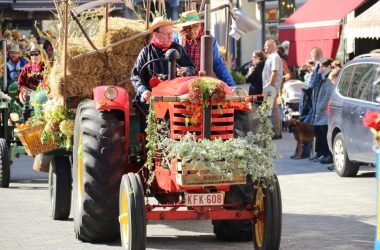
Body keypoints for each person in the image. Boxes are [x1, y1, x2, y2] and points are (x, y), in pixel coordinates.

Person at [131, 16, 196, 130]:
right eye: (167, 34)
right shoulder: (146, 52)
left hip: (176, 94)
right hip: (153, 95)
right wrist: (143, 91)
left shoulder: (178, 49)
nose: (171, 36)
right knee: (143, 101)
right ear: (156, 35)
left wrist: (185, 71)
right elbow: (135, 76)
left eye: (171, 33)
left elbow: (192, 68)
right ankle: (147, 136)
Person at [174, 10, 236, 87]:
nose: (193, 31)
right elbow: (175, 66)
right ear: (183, 29)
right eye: (188, 28)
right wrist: (181, 46)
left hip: (203, 84)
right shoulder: (176, 40)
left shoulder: (209, 40)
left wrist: (232, 87)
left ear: (200, 25)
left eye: (195, 26)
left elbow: (219, 65)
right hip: (183, 85)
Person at [311, 58, 335, 164]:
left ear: (329, 66)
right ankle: (321, 153)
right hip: (319, 109)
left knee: (324, 132)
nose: (320, 68)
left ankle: (327, 154)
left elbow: (328, 95)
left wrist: (320, 107)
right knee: (319, 132)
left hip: (324, 111)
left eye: (322, 66)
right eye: (320, 66)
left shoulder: (329, 78)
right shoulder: (322, 76)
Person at [262, 39, 283, 139]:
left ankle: (277, 131)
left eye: (266, 46)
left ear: (271, 46)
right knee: (272, 109)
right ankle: (275, 131)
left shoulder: (274, 57)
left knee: (274, 109)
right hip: (270, 86)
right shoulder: (271, 56)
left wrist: (269, 86)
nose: (265, 48)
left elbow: (274, 72)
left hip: (272, 87)